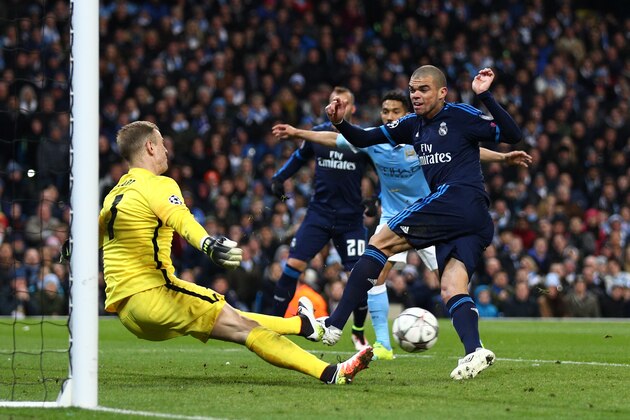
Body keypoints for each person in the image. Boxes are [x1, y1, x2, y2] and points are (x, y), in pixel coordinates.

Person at [97, 121, 372, 385]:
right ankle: (320, 352)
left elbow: (92, 240)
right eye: (162, 143)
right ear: (150, 147)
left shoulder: (114, 194)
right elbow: (181, 219)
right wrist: (207, 243)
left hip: (126, 311)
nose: (167, 149)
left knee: (238, 322)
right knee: (243, 326)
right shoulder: (158, 185)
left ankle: (312, 340)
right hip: (155, 295)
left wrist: (67, 249)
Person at [273, 90, 531, 360]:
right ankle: (383, 343)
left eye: (395, 112)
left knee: (450, 284)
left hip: (435, 211)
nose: (389, 116)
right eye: (385, 112)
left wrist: (502, 157)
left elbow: (468, 149)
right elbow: (335, 139)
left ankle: (337, 324)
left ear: (406, 112)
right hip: (395, 215)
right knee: (378, 273)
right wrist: (299, 133)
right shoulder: (379, 141)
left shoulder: (419, 135)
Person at [322, 66, 523, 380]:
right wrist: (339, 123)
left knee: (379, 242)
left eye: (424, 89)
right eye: (413, 90)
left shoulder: (461, 116)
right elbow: (364, 137)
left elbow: (512, 135)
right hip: (471, 218)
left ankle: (334, 324)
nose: (416, 95)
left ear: (442, 92)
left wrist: (486, 96)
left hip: (457, 199)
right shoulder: (411, 125)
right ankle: (475, 350)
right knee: (451, 288)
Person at [269, 86, 373, 351]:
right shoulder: (316, 134)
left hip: (351, 219)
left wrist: (377, 198)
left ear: (352, 108)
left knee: (360, 276)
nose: (338, 107)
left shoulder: (362, 138)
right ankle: (273, 326)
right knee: (292, 266)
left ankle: (358, 333)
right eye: (333, 103)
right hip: (319, 214)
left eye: (344, 103)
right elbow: (299, 157)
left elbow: (383, 169)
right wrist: (281, 177)